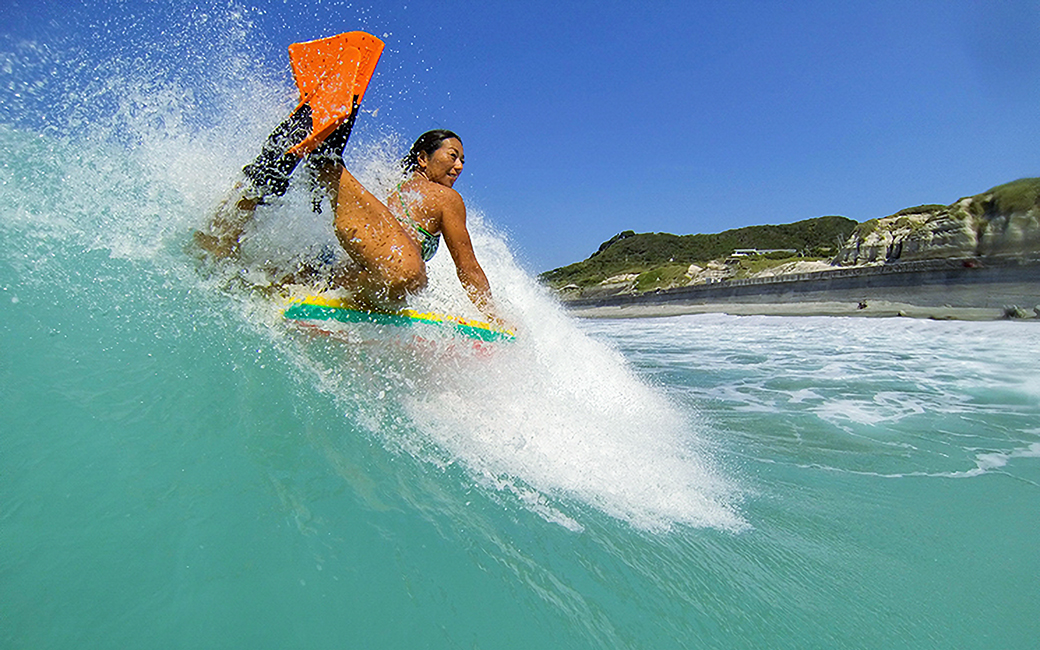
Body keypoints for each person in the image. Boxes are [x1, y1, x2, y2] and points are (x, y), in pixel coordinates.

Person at [196, 128, 501, 324]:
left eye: (463, 160)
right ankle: (325, 161)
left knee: (262, 284)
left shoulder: (390, 188)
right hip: (384, 270)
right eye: (453, 156)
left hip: (343, 266)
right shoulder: (448, 198)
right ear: (423, 159)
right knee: (410, 279)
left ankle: (223, 237)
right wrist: (494, 317)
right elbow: (468, 267)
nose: (459, 166)